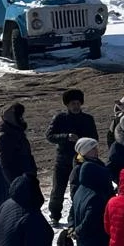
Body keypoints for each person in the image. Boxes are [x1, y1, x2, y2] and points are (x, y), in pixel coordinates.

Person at [45, 89, 98, 226]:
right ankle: (55, 215)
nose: (76, 106)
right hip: (63, 159)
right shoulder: (60, 118)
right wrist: (65, 137)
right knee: (58, 189)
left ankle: (78, 214)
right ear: (67, 105)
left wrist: (82, 142)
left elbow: (94, 138)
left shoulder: (87, 119)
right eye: (73, 104)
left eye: (78, 103)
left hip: (80, 159)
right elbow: (49, 136)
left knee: (79, 189)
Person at [70, 151, 113, 246]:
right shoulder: (95, 195)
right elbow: (91, 219)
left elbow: (72, 212)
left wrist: (72, 227)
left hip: (82, 239)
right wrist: (78, 230)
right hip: (94, 238)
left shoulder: (80, 190)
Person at [0, 102, 37, 184]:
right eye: (19, 116)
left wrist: (33, 171)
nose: (22, 119)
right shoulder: (5, 137)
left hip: (27, 177)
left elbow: (27, 155)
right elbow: (6, 165)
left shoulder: (17, 132)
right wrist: (15, 184)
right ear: (12, 118)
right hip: (18, 181)